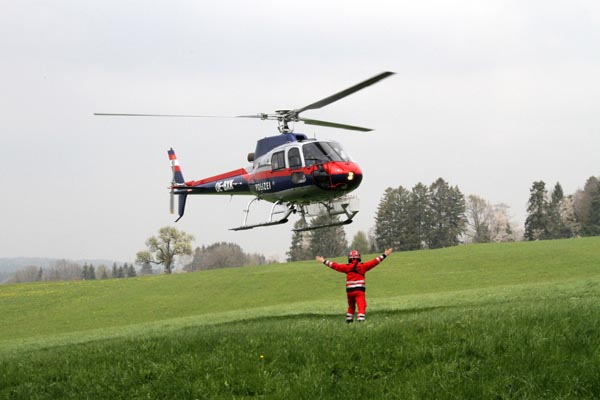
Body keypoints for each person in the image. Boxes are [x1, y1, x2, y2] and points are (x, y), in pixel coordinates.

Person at [316, 248, 393, 323]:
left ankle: (349, 319)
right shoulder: (363, 266)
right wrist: (385, 254)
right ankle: (361, 320)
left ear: (349, 258)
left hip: (349, 291)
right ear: (359, 257)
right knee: (362, 305)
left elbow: (335, 266)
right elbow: (375, 262)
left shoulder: (346, 267)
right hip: (359, 291)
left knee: (351, 306)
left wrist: (323, 261)